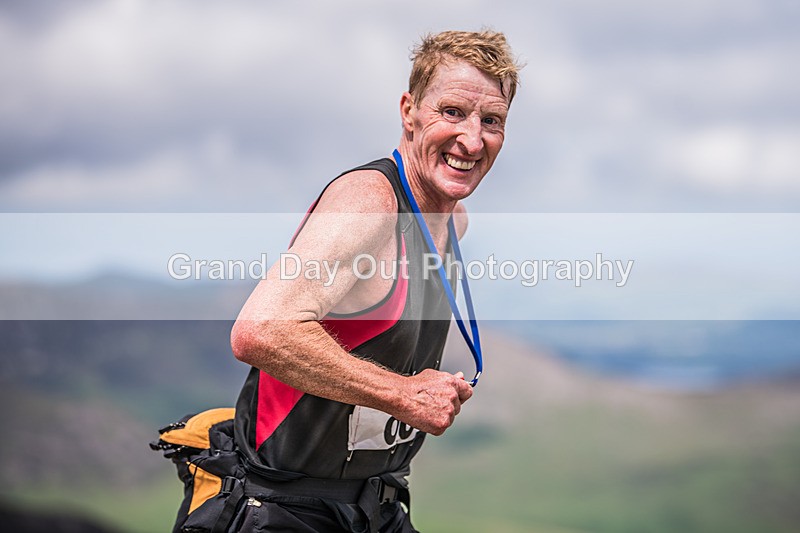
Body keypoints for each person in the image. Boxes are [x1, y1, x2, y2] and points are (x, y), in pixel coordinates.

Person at [229, 30, 521, 532]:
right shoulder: (369, 203)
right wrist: (403, 395)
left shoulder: (456, 221)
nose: (472, 140)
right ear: (409, 111)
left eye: (490, 121)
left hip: (374, 506)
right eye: (452, 112)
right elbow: (260, 330)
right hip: (282, 508)